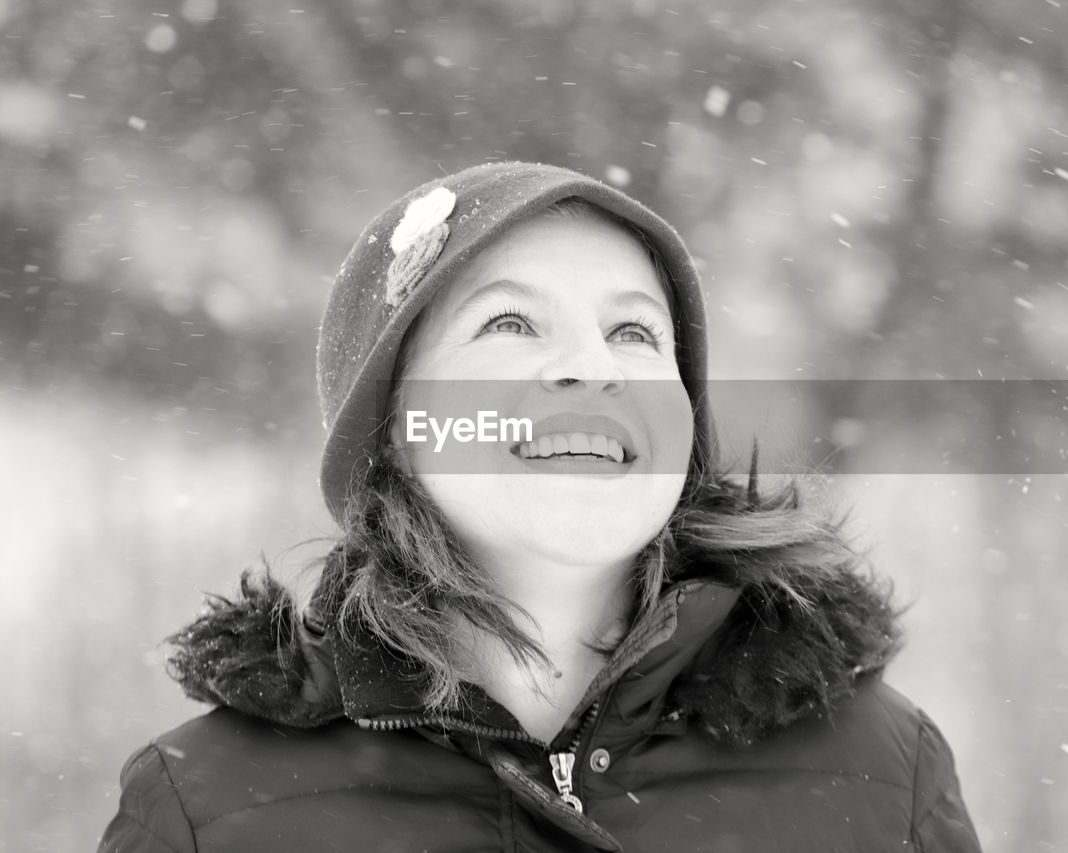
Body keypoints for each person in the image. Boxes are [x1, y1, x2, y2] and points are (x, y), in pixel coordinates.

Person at [99, 161, 981, 852]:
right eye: (511, 323)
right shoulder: (207, 809)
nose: (592, 365)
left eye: (634, 333)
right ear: (391, 426)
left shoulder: (879, 770)